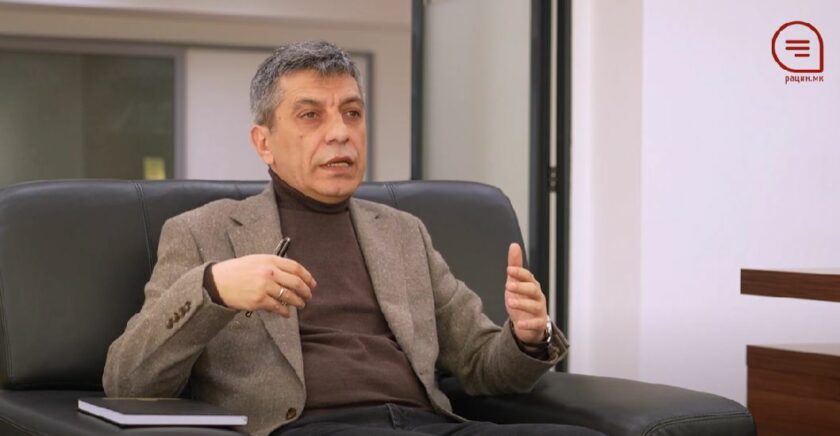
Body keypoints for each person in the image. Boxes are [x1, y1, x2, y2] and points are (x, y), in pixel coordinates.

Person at [104, 40, 601, 436]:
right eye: (311, 115)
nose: (340, 133)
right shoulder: (202, 232)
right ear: (264, 143)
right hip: (310, 427)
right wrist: (212, 289)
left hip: (428, 424)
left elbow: (480, 366)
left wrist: (529, 336)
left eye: (352, 113)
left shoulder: (404, 232)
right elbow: (128, 380)